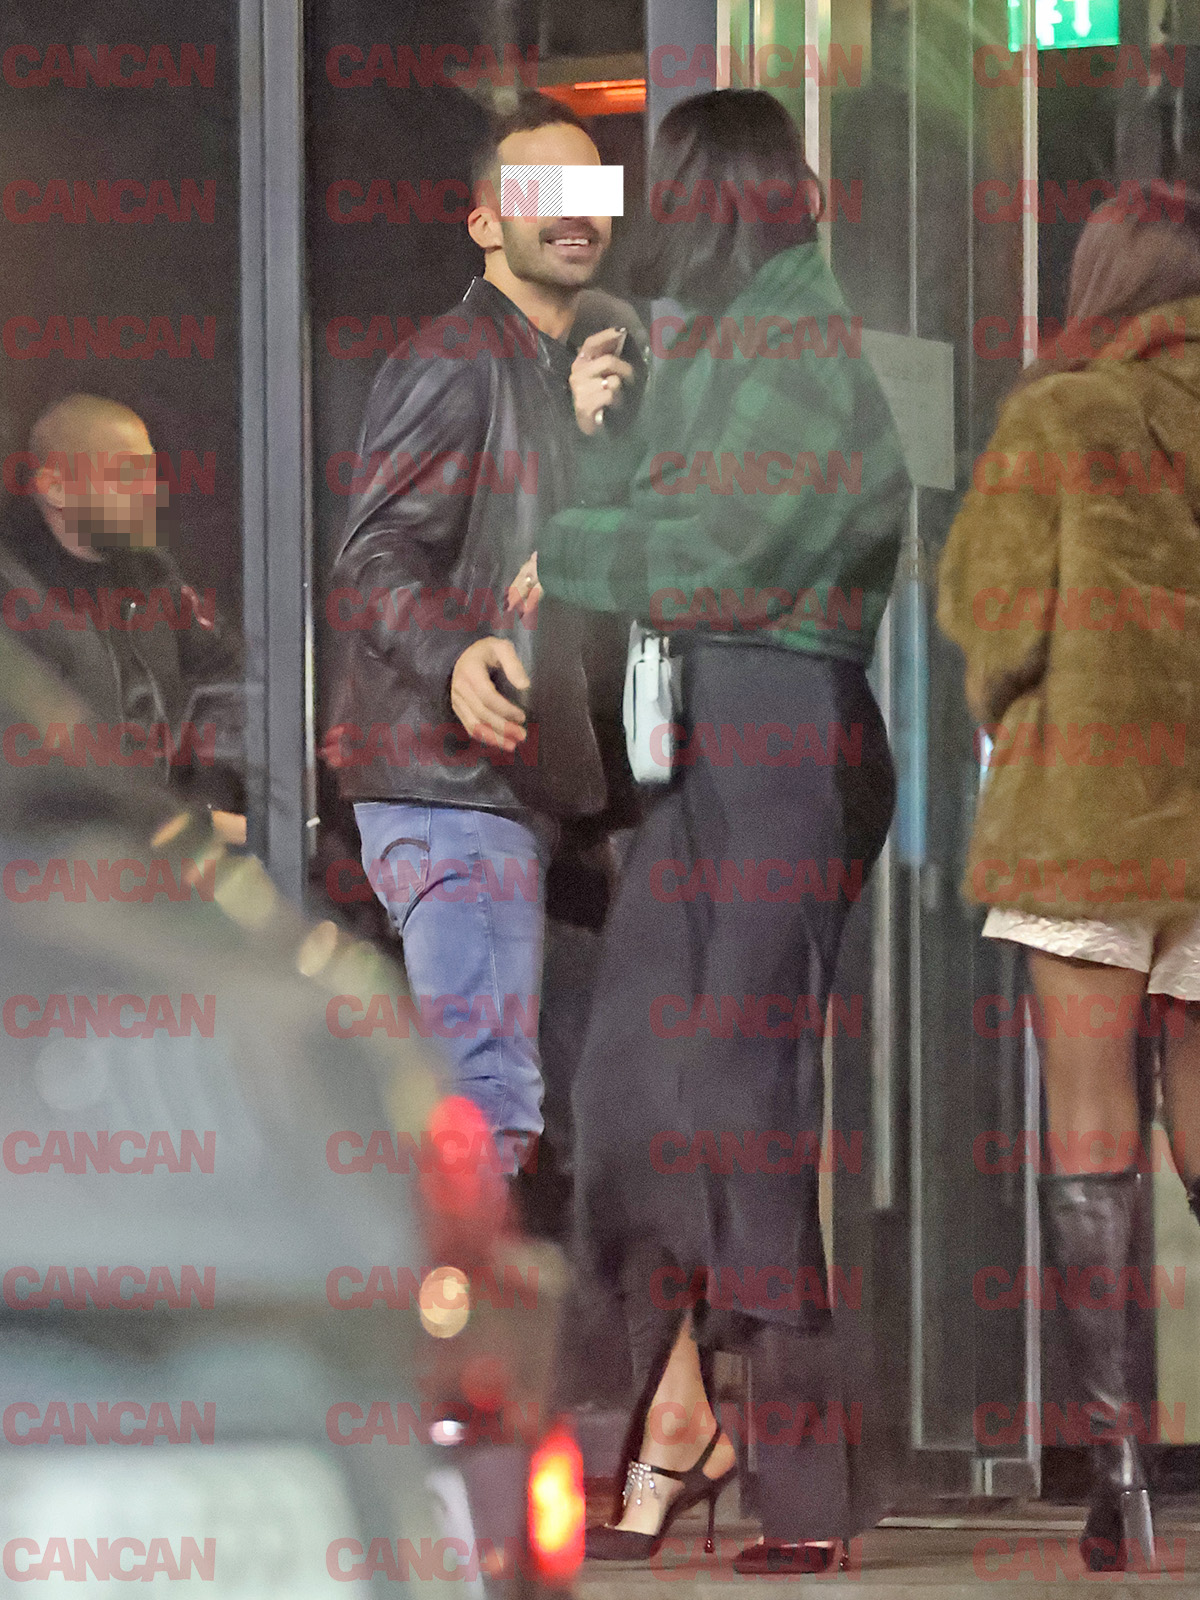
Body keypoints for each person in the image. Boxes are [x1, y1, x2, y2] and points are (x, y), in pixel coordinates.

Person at [532, 89, 909, 1571]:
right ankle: (677, 1415)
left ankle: (800, 1489)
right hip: (701, 743)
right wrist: (603, 442)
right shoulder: (729, 344)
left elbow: (735, 559)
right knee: (631, 1091)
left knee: (747, 1099)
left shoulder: (803, 348)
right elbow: (665, 537)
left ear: (712, 192)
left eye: (666, 183)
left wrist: (576, 540)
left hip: (785, 737)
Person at [938, 184, 1200, 1573]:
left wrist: (1014, 698)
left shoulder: (1062, 414)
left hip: (1091, 812)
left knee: (1093, 1124)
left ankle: (1125, 1480)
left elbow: (995, 617)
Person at [323, 93, 641, 1177]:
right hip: (453, 789)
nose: (574, 212)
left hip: (530, 793)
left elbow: (547, 561)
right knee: (488, 1114)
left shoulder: (560, 372)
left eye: (591, 188)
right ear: (486, 222)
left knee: (543, 1125)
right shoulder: (457, 359)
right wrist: (454, 654)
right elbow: (373, 553)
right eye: (542, 190)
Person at [0, 394, 245, 837]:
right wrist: (198, 825)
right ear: (55, 487)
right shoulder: (16, 599)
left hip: (172, 844)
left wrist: (216, 799)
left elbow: (231, 682)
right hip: (71, 857)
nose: (150, 492)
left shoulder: (153, 577)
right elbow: (48, 779)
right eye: (128, 475)